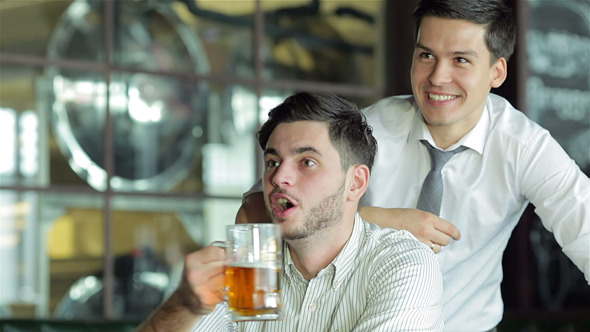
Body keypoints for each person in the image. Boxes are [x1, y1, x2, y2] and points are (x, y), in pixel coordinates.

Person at [237, 1, 590, 331]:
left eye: (460, 60)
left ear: (497, 72)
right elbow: (254, 211)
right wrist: (378, 220)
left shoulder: (525, 147)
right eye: (426, 55)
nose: (437, 77)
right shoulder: (370, 128)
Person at [136, 92, 444, 332]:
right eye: (273, 162)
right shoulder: (248, 264)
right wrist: (185, 305)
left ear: (356, 182)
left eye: (306, 162)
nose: (277, 178)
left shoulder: (403, 264)